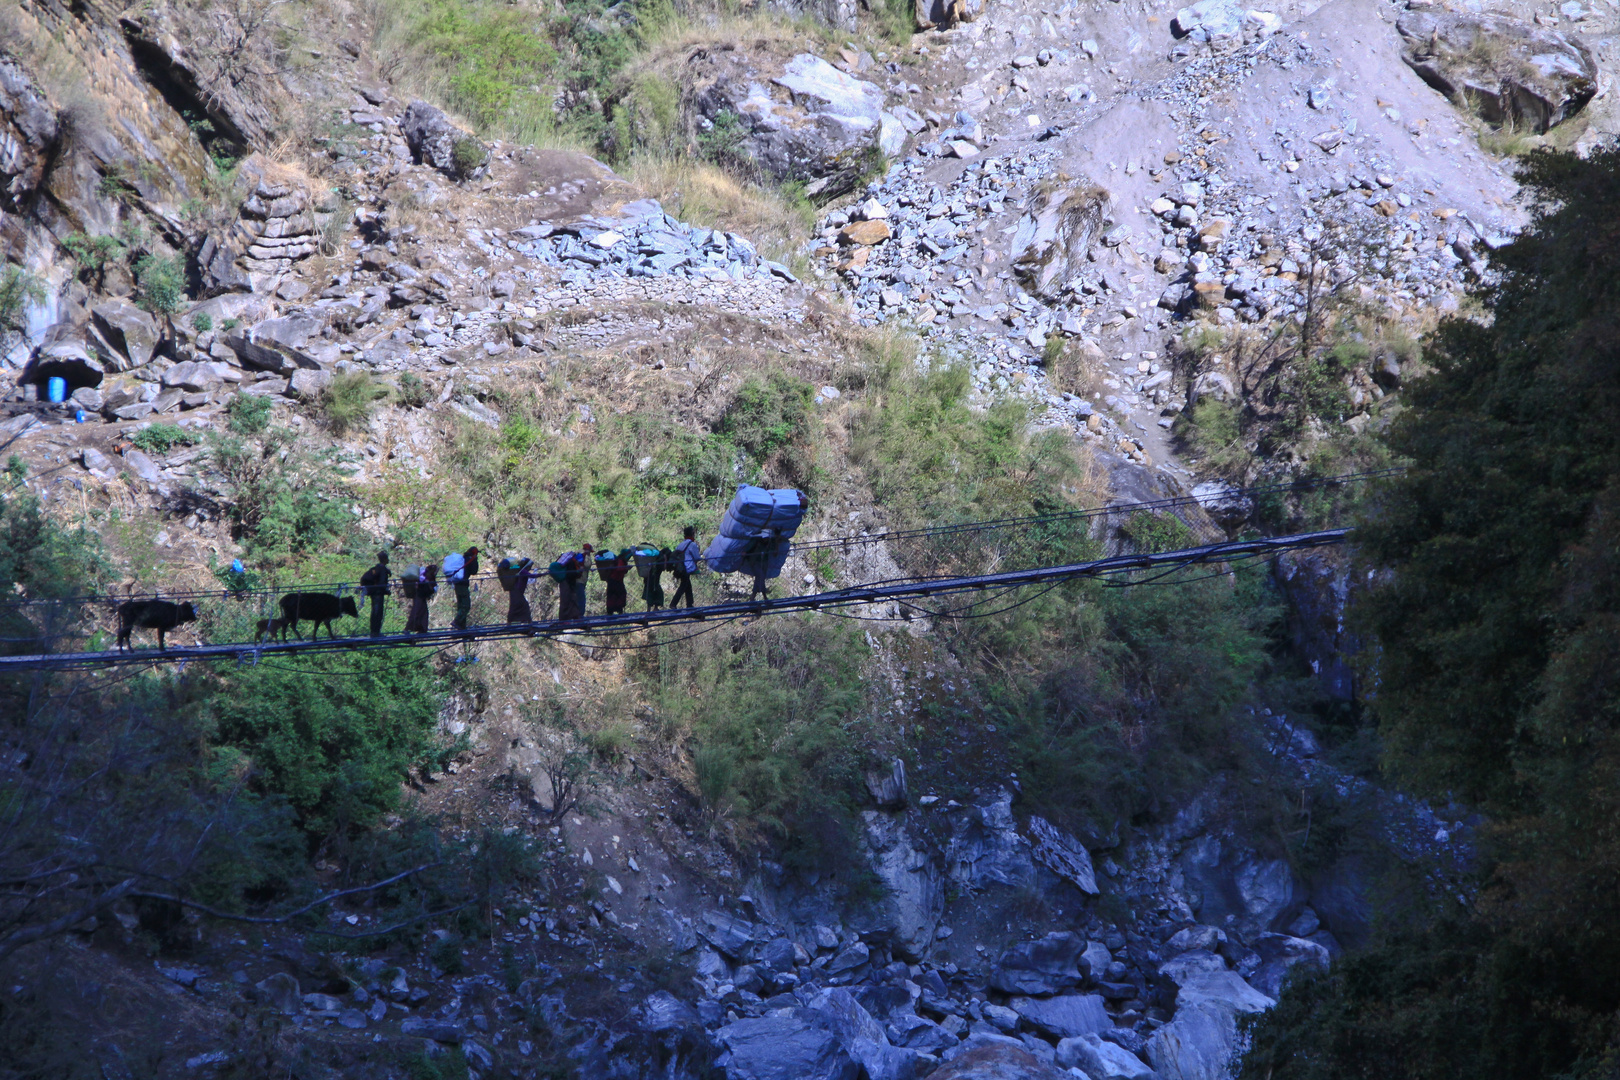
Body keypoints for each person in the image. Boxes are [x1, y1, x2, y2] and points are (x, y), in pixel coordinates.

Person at [446, 545, 479, 631]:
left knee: (461, 605)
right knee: (466, 605)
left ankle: (461, 626)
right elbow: (474, 571)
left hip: (457, 584)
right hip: (463, 584)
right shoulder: (470, 559)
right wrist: (475, 559)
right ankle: (457, 621)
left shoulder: (463, 559)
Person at [360, 550, 390, 636]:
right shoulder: (382, 569)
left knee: (374, 612)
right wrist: (385, 591)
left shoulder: (376, 568)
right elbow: (381, 583)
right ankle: (376, 632)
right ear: (384, 559)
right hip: (378, 593)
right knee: (378, 612)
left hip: (373, 592)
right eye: (387, 558)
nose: (388, 560)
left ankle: (373, 631)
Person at [502, 557, 540, 624]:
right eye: (530, 566)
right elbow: (533, 576)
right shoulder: (523, 571)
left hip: (514, 591)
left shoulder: (518, 570)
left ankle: (510, 622)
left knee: (513, 607)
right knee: (524, 606)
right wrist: (544, 574)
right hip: (517, 592)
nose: (530, 568)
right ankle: (528, 622)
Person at [671, 525, 700, 609]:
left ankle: (689, 604)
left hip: (679, 568)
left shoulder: (681, 544)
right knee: (683, 585)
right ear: (692, 534)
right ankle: (673, 604)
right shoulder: (692, 544)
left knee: (687, 585)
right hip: (687, 568)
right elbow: (697, 557)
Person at [406, 563, 437, 633]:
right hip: (419, 595)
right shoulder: (423, 577)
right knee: (416, 611)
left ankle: (422, 629)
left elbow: (432, 586)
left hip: (422, 596)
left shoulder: (431, 577)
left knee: (424, 612)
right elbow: (423, 585)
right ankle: (407, 629)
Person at [600, 549, 630, 615]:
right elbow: (619, 568)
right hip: (615, 580)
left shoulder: (619, 560)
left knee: (613, 595)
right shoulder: (620, 560)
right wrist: (626, 568)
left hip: (614, 580)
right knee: (620, 594)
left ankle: (612, 611)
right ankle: (618, 610)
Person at [558, 552, 584, 622]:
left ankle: (576, 616)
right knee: (565, 601)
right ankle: (563, 620)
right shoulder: (572, 563)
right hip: (567, 583)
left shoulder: (572, 562)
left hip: (570, 583)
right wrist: (579, 572)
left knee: (574, 599)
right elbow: (571, 574)